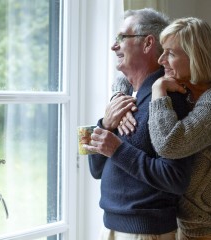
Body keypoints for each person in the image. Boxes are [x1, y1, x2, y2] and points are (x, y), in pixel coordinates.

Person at [120, 17, 211, 239]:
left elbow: (170, 145)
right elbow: (125, 76)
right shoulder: (183, 87)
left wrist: (158, 91)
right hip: (191, 225)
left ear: (196, 57)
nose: (161, 60)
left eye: (170, 53)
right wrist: (116, 96)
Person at [83, 9, 194, 240]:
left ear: (147, 44)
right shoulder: (125, 97)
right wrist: (104, 124)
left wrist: (117, 149)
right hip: (112, 226)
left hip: (145, 233)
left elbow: (175, 178)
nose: (114, 47)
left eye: (122, 38)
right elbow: (95, 169)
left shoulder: (167, 101)